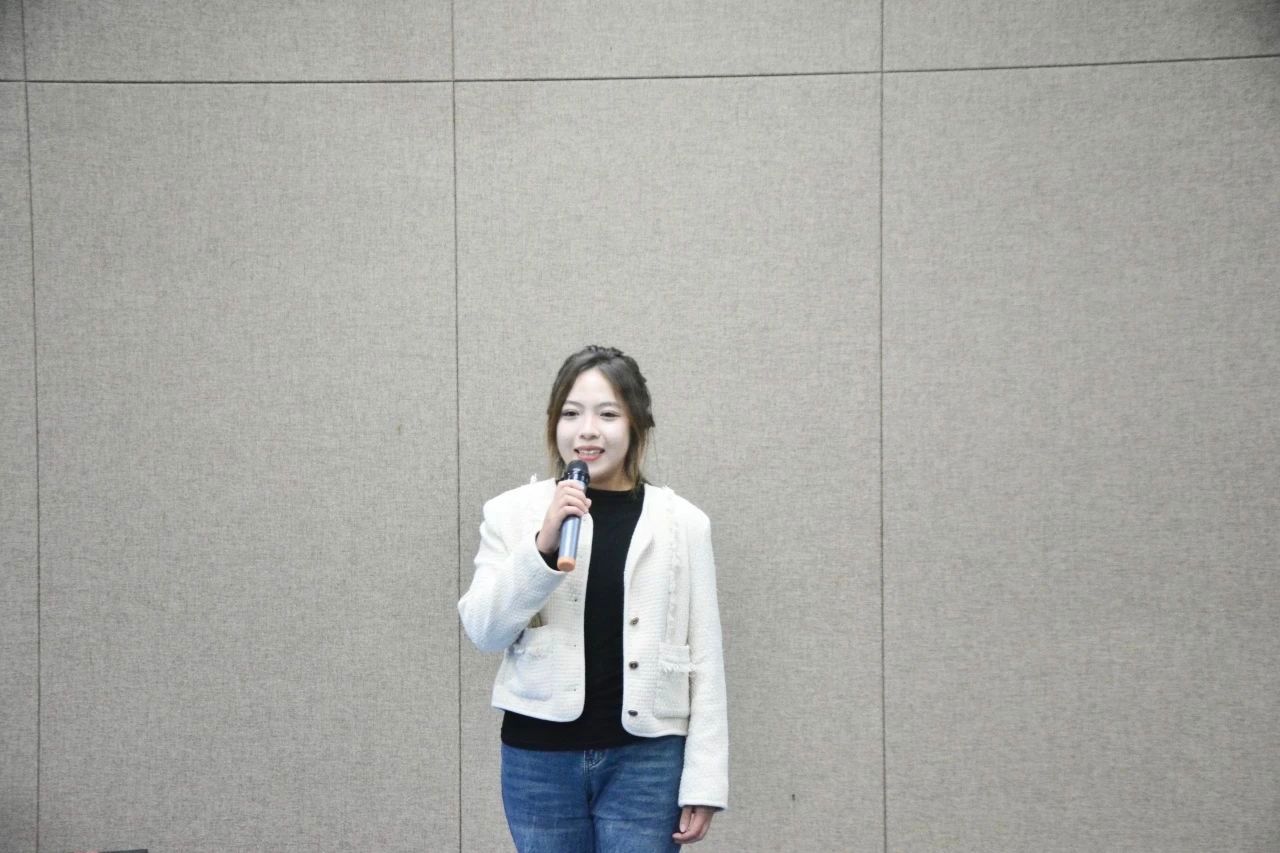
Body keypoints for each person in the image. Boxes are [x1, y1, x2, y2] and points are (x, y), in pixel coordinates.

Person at [459, 345, 728, 852]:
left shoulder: (683, 523)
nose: (587, 431)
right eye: (570, 414)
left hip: (647, 763)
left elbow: (706, 657)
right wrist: (542, 544)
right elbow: (483, 631)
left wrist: (705, 780)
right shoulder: (511, 513)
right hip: (539, 761)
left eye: (607, 415)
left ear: (636, 424)